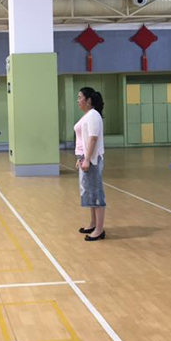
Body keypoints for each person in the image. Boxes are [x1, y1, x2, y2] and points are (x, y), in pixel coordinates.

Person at [74, 87, 106, 241]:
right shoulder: (87, 116)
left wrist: (87, 159)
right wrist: (80, 157)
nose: (78, 100)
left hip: (92, 160)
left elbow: (93, 138)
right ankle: (93, 223)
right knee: (89, 193)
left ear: (88, 101)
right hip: (85, 157)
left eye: (80, 97)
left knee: (96, 193)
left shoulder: (94, 115)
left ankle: (99, 230)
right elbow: (82, 140)